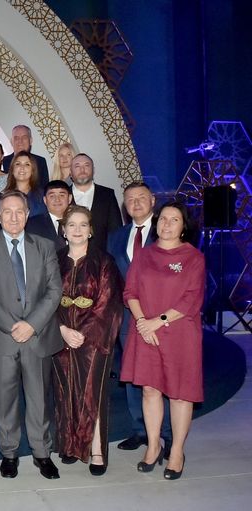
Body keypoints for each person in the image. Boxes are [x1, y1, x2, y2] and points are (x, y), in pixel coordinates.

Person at [0, 190, 63, 480]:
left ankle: (42, 452)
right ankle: (9, 453)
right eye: (7, 212)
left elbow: (55, 290)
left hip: (37, 336)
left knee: (39, 399)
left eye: (19, 211)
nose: (14, 217)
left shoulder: (45, 246)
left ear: (27, 214)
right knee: (5, 400)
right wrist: (13, 325)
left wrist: (31, 324)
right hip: (3, 337)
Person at [120, 201, 205, 481]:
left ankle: (177, 451)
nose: (167, 224)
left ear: (184, 226)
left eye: (174, 219)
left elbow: (192, 298)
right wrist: (143, 323)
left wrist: (158, 321)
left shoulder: (193, 257)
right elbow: (130, 292)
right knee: (149, 390)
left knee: (180, 394)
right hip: (146, 330)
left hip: (180, 334)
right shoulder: (144, 254)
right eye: (164, 219)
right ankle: (153, 446)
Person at [52, 205, 123, 475]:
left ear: (91, 230)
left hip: (93, 340)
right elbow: (44, 299)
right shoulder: (54, 260)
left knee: (92, 394)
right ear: (63, 230)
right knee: (65, 392)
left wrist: (83, 333)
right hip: (60, 338)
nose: (77, 230)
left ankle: (96, 450)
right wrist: (61, 330)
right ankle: (71, 445)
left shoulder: (104, 262)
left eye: (83, 225)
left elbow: (109, 303)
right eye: (71, 225)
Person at [107, 182, 172, 455]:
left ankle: (165, 434)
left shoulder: (166, 231)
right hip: (126, 315)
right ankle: (140, 430)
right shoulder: (116, 236)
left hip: (160, 316)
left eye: (141, 197)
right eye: (130, 199)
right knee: (133, 371)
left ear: (152, 200)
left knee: (161, 374)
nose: (135, 203)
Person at [69, 153, 122, 252]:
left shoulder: (107, 194)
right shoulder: (63, 196)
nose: (82, 169)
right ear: (70, 172)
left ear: (93, 170)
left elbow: (116, 230)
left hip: (102, 256)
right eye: (77, 166)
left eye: (86, 165)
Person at [26, 180, 73, 251]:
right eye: (52, 196)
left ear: (69, 198)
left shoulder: (79, 221)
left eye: (62, 195)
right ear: (45, 200)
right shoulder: (32, 224)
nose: (57, 200)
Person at [3, 150, 47, 217]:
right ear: (12, 170)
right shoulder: (3, 196)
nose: (22, 168)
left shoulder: (42, 195)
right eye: (18, 164)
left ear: (32, 171)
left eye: (27, 164)